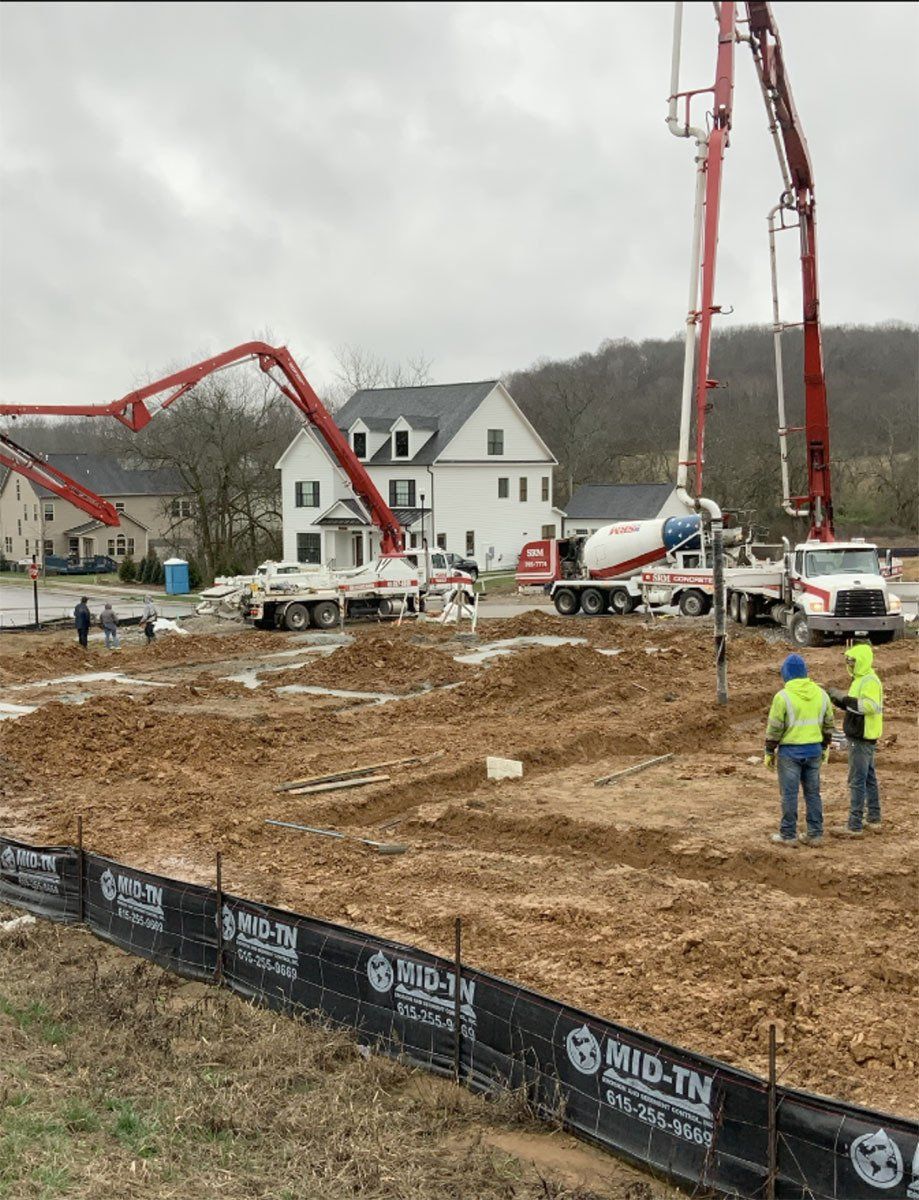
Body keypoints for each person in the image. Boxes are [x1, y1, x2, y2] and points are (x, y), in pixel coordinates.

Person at [763, 653, 835, 847]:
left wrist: (769, 751)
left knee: (789, 795)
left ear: (785, 674)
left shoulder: (783, 697)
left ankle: (788, 835)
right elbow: (829, 724)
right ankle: (815, 833)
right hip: (814, 751)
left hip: (790, 753)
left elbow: (775, 728)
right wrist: (824, 746)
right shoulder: (821, 694)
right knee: (813, 794)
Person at [827, 643, 884, 837]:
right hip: (863, 735)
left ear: (861, 662)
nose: (849, 665)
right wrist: (837, 699)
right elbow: (853, 706)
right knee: (868, 777)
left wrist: (843, 699)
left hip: (862, 736)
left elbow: (868, 706)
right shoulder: (860, 679)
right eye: (848, 661)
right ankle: (874, 817)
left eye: (852, 661)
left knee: (857, 780)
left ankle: (854, 824)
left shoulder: (869, 681)